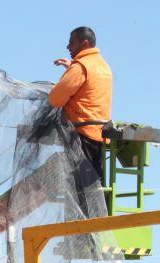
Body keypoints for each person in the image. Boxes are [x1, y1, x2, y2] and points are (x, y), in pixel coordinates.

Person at [48, 26, 113, 181]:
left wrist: (71, 70)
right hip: (100, 134)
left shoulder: (81, 66)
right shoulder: (102, 66)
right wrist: (71, 67)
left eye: (72, 43)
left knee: (79, 189)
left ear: (84, 44)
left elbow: (56, 99)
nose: (68, 47)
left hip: (81, 135)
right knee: (94, 188)